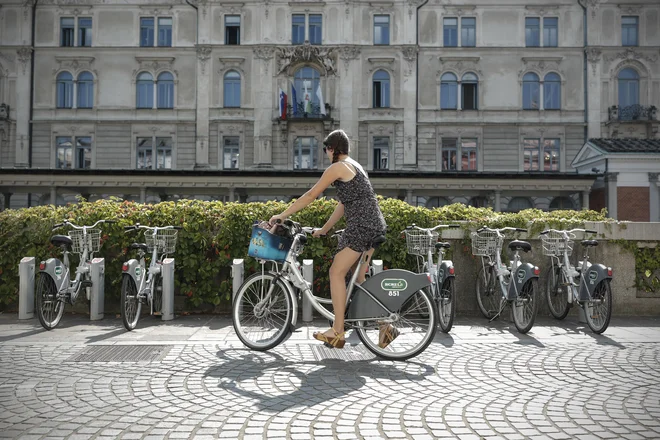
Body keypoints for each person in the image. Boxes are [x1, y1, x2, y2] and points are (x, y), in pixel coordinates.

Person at [269, 129, 389, 349]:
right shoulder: (355, 166)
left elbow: (311, 195)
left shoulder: (337, 167)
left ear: (333, 148)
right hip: (374, 225)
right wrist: (324, 228)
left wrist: (282, 215)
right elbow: (344, 204)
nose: (326, 153)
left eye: (326, 149)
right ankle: (386, 325)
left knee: (336, 271)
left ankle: (337, 331)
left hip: (362, 227)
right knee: (360, 279)